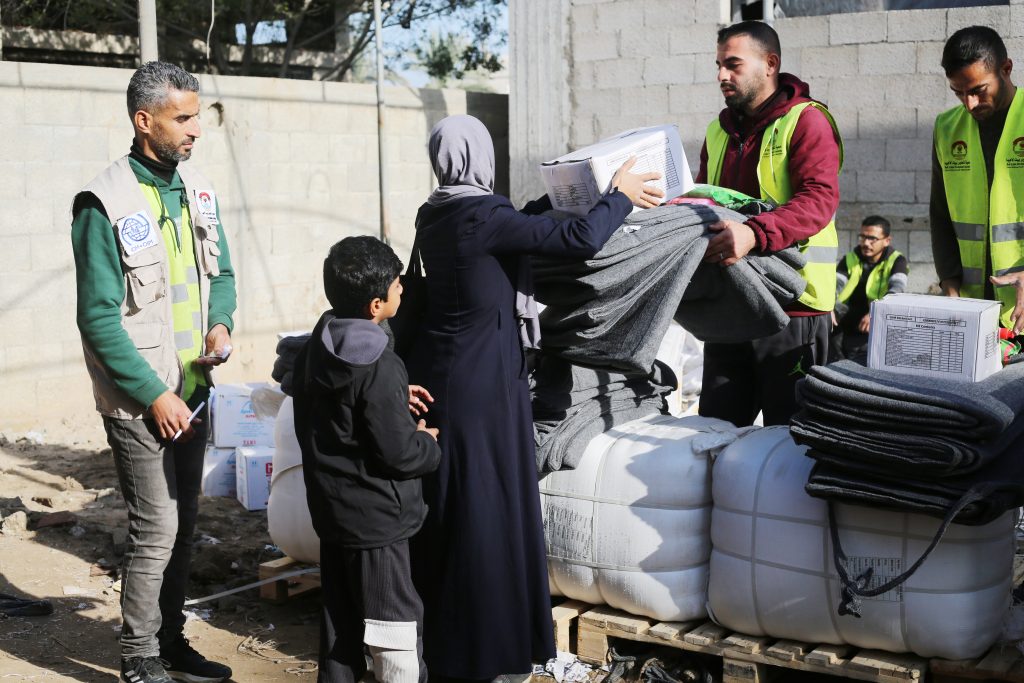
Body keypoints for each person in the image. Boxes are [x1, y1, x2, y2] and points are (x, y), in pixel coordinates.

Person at [406, 114, 663, 681]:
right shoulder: (484, 215)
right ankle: (486, 648)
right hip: (486, 390)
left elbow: (512, 230)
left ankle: (443, 639)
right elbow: (581, 240)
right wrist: (618, 196)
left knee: (453, 511)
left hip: (442, 378)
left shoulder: (436, 214)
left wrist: (550, 203)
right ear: (482, 157)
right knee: (487, 514)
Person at [71, 62, 236, 683]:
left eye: (196, 116)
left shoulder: (197, 192)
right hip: (142, 402)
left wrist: (220, 325)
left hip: (193, 391)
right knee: (157, 529)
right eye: (183, 118)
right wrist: (152, 395)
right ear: (145, 122)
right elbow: (98, 319)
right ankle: (138, 658)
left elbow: (221, 277)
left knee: (186, 527)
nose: (195, 130)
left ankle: (171, 642)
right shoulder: (102, 203)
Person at [291, 236, 442, 683]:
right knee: (393, 625)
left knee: (341, 622)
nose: (403, 289)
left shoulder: (320, 342)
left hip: (333, 511)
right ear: (376, 304)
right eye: (398, 284)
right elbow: (397, 453)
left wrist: (392, 397)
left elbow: (336, 415)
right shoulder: (379, 365)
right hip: (377, 522)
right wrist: (427, 441)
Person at [694, 20, 843, 427]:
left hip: (793, 309)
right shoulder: (717, 131)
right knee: (715, 434)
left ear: (770, 64)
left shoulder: (807, 121)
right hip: (732, 306)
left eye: (733, 65)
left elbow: (819, 200)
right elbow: (708, 201)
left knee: (791, 439)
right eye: (719, 65)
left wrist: (753, 233)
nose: (722, 75)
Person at [931, 26, 1024, 335]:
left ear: (1006, 69)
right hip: (972, 313)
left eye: (978, 90)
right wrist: (949, 283)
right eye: (959, 93)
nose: (969, 104)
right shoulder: (947, 128)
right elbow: (940, 214)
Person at [831, 216, 909, 362]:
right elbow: (835, 284)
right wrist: (828, 307)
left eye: (872, 238)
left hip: (873, 325)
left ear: (887, 241)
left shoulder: (897, 261)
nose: (866, 243)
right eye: (863, 237)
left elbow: (896, 290)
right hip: (843, 321)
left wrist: (876, 311)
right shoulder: (850, 258)